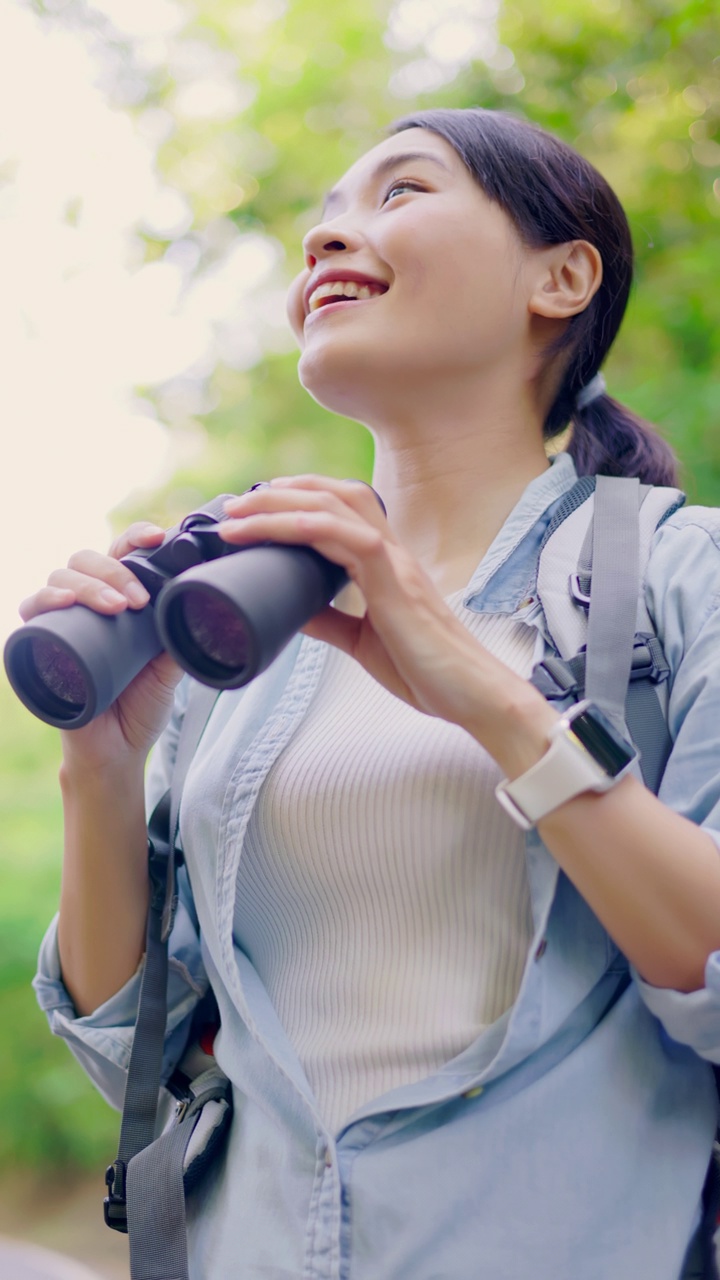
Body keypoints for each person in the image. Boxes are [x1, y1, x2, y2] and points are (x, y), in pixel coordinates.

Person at [26, 108, 720, 1279]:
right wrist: (99, 761)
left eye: (399, 192)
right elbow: (135, 1044)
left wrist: (477, 690)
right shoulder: (245, 627)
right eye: (325, 217)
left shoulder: (676, 573)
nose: (329, 236)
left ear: (562, 276)